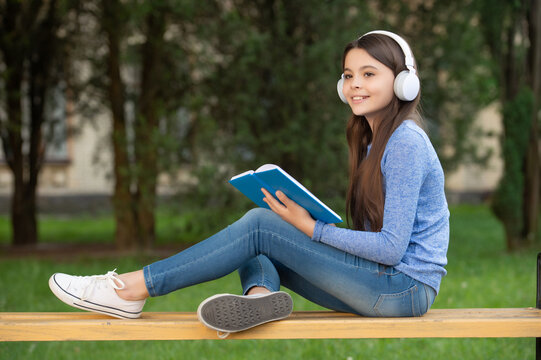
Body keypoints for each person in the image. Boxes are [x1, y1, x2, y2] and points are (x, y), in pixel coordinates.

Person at [49, 30, 449, 336]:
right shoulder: (372, 141)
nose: (355, 84)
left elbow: (393, 248)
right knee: (261, 228)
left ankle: (130, 290)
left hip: (404, 289)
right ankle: (259, 297)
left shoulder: (405, 142)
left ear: (402, 83)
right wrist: (308, 227)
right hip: (385, 286)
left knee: (260, 225)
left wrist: (311, 228)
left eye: (368, 74)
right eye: (348, 75)